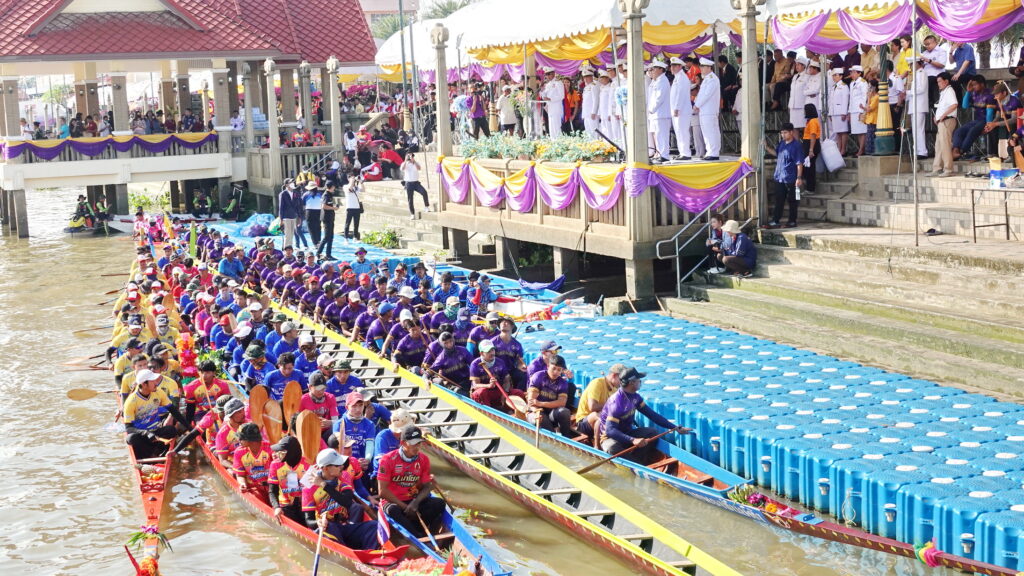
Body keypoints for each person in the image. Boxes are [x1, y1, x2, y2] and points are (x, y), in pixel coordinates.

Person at [599, 367, 685, 464]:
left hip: (627, 433)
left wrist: (674, 427)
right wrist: (633, 440)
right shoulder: (616, 403)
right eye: (639, 380)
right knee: (612, 447)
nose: (640, 382)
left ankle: (638, 461)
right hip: (610, 438)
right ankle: (636, 465)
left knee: (652, 432)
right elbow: (610, 431)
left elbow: (652, 415)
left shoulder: (635, 397)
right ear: (632, 382)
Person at [377, 425, 445, 538]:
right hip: (394, 502)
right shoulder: (387, 460)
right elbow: (382, 491)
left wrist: (415, 503)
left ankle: (419, 530)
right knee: (393, 510)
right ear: (403, 443)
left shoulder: (424, 459)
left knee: (439, 503)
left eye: (419, 443)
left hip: (413, 500)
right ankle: (418, 535)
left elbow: (427, 486)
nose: (417, 447)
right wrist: (405, 507)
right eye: (413, 444)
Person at [302, 449, 378, 549]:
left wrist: (324, 485)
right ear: (326, 468)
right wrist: (318, 523)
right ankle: (347, 552)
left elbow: (347, 502)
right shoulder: (309, 488)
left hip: (344, 527)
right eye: (337, 465)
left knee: (375, 526)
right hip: (325, 530)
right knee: (330, 526)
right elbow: (309, 521)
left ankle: (368, 553)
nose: (342, 466)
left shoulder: (343, 476)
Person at [123, 369, 189, 459]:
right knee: (131, 438)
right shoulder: (131, 401)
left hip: (156, 431)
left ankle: (157, 452)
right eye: (153, 381)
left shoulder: (158, 392)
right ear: (144, 384)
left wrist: (190, 428)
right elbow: (128, 428)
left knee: (171, 430)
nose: (156, 383)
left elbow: (174, 411)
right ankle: (150, 454)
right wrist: (146, 433)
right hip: (142, 435)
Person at [575, 363, 627, 447]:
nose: (622, 383)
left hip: (600, 423)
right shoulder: (597, 383)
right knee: (601, 415)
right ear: (614, 375)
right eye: (621, 380)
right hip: (584, 422)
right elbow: (592, 407)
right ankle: (597, 446)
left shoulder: (615, 389)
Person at [766, 123, 805, 229]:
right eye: (782, 133)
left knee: (793, 200)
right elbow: (777, 153)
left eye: (785, 132)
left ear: (791, 132)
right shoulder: (782, 143)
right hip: (779, 177)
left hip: (791, 178)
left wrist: (799, 178)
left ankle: (792, 221)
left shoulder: (796, 146)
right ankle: (775, 220)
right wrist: (766, 147)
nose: (783, 135)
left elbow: (799, 163)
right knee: (779, 199)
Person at [526, 354, 576, 437]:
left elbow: (561, 403)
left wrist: (540, 403)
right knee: (541, 419)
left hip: (551, 412)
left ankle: (567, 437)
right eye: (554, 368)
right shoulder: (538, 376)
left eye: (559, 370)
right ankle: (553, 435)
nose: (556, 372)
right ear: (548, 366)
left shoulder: (562, 383)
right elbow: (531, 402)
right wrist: (536, 411)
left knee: (565, 412)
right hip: (535, 411)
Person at [268, 435, 309, 525]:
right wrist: (276, 507)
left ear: (290, 453)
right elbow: (272, 491)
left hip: (305, 506)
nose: (276, 454)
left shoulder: (307, 464)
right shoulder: (275, 465)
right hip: (285, 506)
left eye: (281, 452)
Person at [952, 75, 994, 161]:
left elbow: (990, 113)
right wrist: (968, 92)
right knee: (959, 131)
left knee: (972, 131)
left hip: (987, 120)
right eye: (972, 85)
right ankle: (955, 151)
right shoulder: (974, 93)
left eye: (975, 84)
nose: (973, 87)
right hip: (977, 120)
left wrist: (988, 125)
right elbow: (964, 106)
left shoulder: (990, 95)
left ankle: (961, 151)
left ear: (982, 84)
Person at [371, 409, 416, 480]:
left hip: (402, 474)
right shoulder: (382, 436)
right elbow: (381, 462)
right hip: (383, 476)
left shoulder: (407, 436)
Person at [929, 72, 958, 178]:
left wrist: (943, 115)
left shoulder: (949, 91)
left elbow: (954, 104)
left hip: (947, 120)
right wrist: (937, 117)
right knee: (939, 146)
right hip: (942, 121)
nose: (938, 84)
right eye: (937, 82)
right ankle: (937, 168)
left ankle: (948, 169)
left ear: (946, 81)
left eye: (940, 81)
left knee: (945, 145)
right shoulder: (944, 92)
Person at [232, 422, 273, 497]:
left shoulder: (270, 449)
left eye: (241, 438)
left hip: (272, 486)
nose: (238, 441)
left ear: (251, 440)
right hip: (254, 489)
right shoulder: (239, 452)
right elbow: (240, 475)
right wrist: (242, 484)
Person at [694, 58, 721, 161]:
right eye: (700, 66)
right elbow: (702, 94)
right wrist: (697, 105)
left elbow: (706, 95)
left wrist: (697, 105)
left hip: (709, 110)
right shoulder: (707, 79)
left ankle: (713, 152)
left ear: (709, 67)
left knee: (711, 131)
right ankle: (710, 151)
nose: (701, 68)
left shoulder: (712, 79)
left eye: (703, 66)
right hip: (705, 110)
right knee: (707, 132)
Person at [301, 373, 339, 442]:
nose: (321, 391)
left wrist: (330, 422)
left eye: (323, 388)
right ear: (309, 387)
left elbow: (336, 421)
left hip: (326, 433)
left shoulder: (330, 397)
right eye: (318, 388)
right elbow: (298, 423)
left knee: (337, 428)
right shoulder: (303, 400)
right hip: (310, 433)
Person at [646, 60, 672, 163]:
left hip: (661, 113)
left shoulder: (663, 81)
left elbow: (659, 97)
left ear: (661, 69)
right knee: (657, 135)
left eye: (655, 68)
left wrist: (651, 109)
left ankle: (664, 155)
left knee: (662, 135)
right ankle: (660, 154)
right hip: (655, 114)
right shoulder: (656, 81)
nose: (653, 71)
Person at [669, 57, 692, 160]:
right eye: (671, 66)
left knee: (682, 131)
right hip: (677, 110)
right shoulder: (677, 77)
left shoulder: (682, 78)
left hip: (681, 110)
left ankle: (686, 153)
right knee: (678, 131)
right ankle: (682, 152)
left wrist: (677, 108)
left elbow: (680, 94)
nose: (672, 68)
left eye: (674, 66)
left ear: (680, 66)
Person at [908, 57, 929, 159]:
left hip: (919, 105)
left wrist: (908, 92)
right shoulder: (916, 74)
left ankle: (922, 151)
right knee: (915, 129)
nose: (910, 66)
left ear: (917, 63)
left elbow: (921, 88)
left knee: (919, 129)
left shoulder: (921, 73)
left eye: (912, 64)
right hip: (915, 106)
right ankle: (916, 150)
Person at [828, 68, 850, 156]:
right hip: (834, 112)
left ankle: (843, 149)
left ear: (840, 76)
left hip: (840, 112)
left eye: (835, 75)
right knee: (837, 132)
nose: (833, 77)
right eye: (833, 75)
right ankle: (839, 148)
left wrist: (844, 112)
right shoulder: (834, 87)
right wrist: (830, 113)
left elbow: (845, 100)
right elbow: (831, 101)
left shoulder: (844, 86)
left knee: (843, 131)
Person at [401, 153, 430, 220]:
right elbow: (402, 168)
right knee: (410, 199)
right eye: (408, 156)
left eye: (411, 156)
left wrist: (413, 161)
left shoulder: (416, 163)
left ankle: (426, 206)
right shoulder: (404, 163)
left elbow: (419, 168)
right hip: (408, 183)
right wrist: (405, 160)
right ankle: (412, 214)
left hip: (416, 183)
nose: (409, 158)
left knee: (424, 192)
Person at [848, 66, 869, 157]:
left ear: (859, 73)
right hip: (853, 109)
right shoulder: (852, 83)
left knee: (862, 130)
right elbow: (851, 99)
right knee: (857, 131)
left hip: (860, 109)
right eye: (851, 72)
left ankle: (861, 150)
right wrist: (849, 111)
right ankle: (860, 148)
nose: (852, 74)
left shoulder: (863, 83)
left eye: (854, 72)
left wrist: (861, 110)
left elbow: (864, 97)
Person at [540, 68, 565, 138]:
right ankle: (553, 141)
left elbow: (561, 96)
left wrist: (550, 99)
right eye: (546, 74)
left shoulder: (558, 83)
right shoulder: (548, 84)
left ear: (553, 74)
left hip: (556, 108)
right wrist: (542, 91)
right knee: (551, 127)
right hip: (550, 108)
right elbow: (544, 96)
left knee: (556, 127)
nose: (547, 76)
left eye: (548, 74)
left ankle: (558, 141)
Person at [802, 104, 821, 195]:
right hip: (808, 144)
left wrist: (811, 149)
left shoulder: (813, 121)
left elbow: (813, 135)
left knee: (809, 168)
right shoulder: (810, 121)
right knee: (808, 166)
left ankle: (810, 188)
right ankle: (809, 186)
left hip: (811, 144)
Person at [788, 58, 809, 139]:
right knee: (794, 127)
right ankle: (796, 145)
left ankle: (806, 144)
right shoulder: (795, 76)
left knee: (804, 126)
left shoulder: (807, 76)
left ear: (804, 66)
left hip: (801, 105)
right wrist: (790, 104)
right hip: (793, 105)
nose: (797, 66)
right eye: (796, 64)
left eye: (799, 64)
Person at [278, 180, 302, 249]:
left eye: (293, 182)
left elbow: (297, 206)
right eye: (290, 183)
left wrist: (299, 217)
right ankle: (286, 249)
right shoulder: (283, 194)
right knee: (287, 234)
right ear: (286, 185)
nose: (292, 184)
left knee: (291, 234)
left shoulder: (295, 193)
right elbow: (281, 207)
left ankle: (289, 248)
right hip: (286, 217)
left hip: (293, 216)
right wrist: (281, 219)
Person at [317, 180, 338, 260]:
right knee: (326, 237)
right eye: (333, 186)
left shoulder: (330, 194)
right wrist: (333, 208)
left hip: (330, 218)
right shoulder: (326, 195)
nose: (334, 187)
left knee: (331, 237)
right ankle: (318, 253)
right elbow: (324, 206)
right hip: (327, 218)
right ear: (331, 187)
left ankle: (328, 254)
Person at [302, 180, 323, 248]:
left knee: (311, 228)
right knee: (318, 227)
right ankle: (319, 241)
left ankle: (315, 243)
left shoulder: (306, 194)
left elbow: (303, 204)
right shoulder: (320, 194)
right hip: (318, 211)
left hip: (309, 212)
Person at [580, 69, 600, 139]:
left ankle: (596, 144)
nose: (585, 79)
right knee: (588, 132)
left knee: (594, 131)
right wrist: (583, 114)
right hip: (586, 114)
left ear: (591, 77)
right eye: (584, 77)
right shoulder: (586, 88)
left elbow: (596, 100)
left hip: (592, 113)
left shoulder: (594, 86)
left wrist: (594, 112)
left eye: (587, 77)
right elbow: (584, 102)